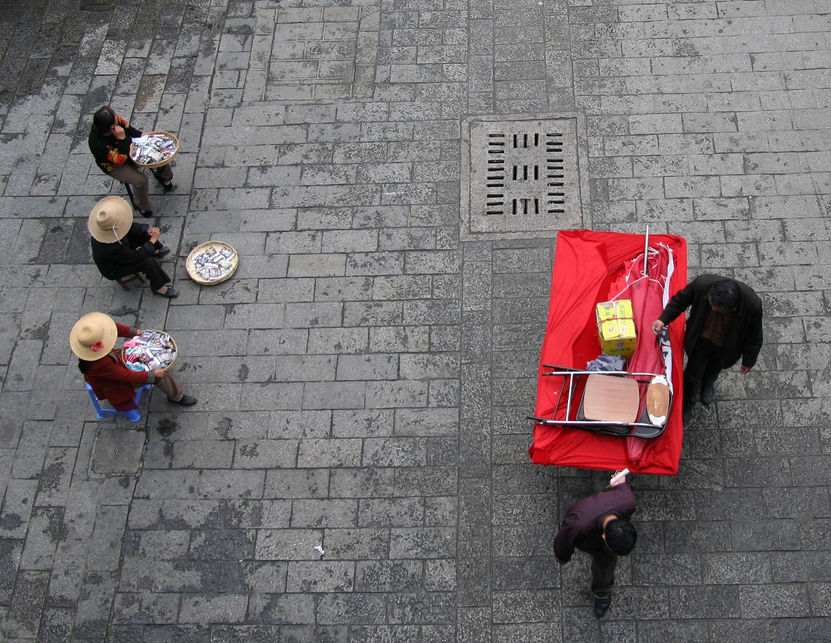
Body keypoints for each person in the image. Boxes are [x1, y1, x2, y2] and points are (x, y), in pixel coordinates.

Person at [651, 274, 763, 423]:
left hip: (727, 346)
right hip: (700, 340)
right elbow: (680, 301)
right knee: (692, 375)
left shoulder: (752, 304)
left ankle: (708, 384)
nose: (712, 308)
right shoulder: (702, 285)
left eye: (717, 309)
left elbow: (754, 336)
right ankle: (687, 404)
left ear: (733, 308)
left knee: (715, 367)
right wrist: (663, 319)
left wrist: (749, 361)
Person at [70, 312, 197, 411]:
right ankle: (176, 396)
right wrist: (152, 375)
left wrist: (134, 332)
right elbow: (125, 376)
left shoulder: (91, 332)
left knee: (137, 348)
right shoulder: (99, 364)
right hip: (116, 382)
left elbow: (113, 328)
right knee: (159, 377)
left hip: (116, 361)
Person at [554, 475, 637, 618]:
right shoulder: (578, 525)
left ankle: (601, 592)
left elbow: (620, 482)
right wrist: (562, 556)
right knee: (605, 564)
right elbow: (563, 540)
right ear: (604, 538)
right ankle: (602, 591)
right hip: (588, 541)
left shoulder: (628, 500)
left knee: (605, 568)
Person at [88, 105, 174, 217]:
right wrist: (122, 139)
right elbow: (120, 159)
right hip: (115, 165)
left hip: (127, 144)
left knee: (160, 153)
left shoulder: (115, 119)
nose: (118, 119)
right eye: (115, 121)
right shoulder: (97, 144)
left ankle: (165, 177)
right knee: (140, 181)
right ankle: (142, 206)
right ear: (111, 128)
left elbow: (129, 129)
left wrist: (142, 136)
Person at [88, 195, 178, 298]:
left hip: (122, 249)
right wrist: (152, 241)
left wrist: (146, 231)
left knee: (143, 234)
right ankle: (159, 288)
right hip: (116, 266)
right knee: (148, 262)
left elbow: (128, 227)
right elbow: (135, 257)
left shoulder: (109, 229)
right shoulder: (112, 247)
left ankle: (155, 251)